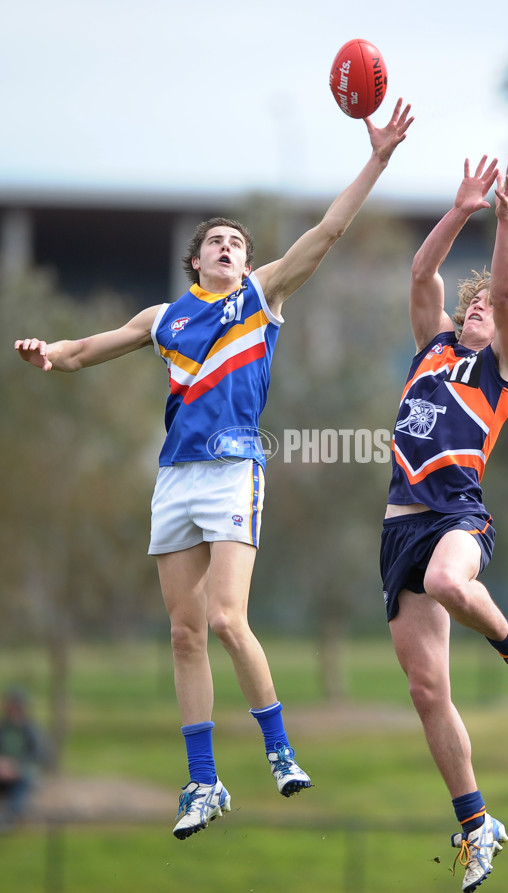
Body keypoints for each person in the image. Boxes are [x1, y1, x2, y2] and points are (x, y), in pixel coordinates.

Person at [15, 98, 414, 840]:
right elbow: (78, 351)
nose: (229, 248)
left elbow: (327, 231)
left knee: (229, 618)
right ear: (194, 259)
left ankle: (280, 750)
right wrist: (48, 352)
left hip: (234, 471)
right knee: (184, 634)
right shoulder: (163, 318)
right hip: (176, 479)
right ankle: (203, 783)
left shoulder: (262, 298)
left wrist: (379, 157)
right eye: (217, 242)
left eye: (238, 241)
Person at [379, 156, 508, 892]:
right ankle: (476, 823)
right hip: (398, 528)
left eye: (493, 304)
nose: (482, 303)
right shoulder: (434, 345)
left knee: (450, 578)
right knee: (427, 691)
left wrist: (506, 218)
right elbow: (422, 276)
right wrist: (459, 211)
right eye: (477, 299)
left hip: (458, 514)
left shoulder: (501, 368)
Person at [0, 687, 49, 829]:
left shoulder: (32, 729)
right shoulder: (3, 728)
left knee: (23, 783)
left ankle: (10, 816)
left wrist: (16, 765)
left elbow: (39, 754)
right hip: (4, 771)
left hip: (23, 770)